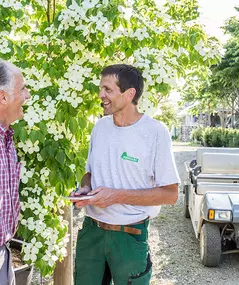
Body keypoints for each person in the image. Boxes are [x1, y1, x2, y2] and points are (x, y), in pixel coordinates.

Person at [73, 64, 180, 285]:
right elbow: (90, 173)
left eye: (108, 89)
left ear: (129, 94)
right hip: (91, 232)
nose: (101, 95)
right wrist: (85, 189)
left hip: (129, 236)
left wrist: (116, 196)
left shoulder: (155, 132)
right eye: (101, 88)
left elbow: (170, 194)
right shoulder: (99, 128)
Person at [0, 57, 30, 285]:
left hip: (0, 254)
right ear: (2, 97)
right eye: (22, 89)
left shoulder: (4, 138)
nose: (27, 95)